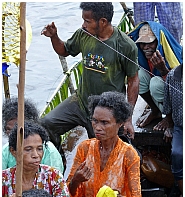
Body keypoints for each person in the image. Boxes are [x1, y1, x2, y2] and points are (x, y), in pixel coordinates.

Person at [40, 2, 140, 149]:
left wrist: (128, 118)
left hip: (107, 109)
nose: (83, 25)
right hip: (80, 101)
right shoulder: (83, 34)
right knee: (46, 123)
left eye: (87, 21)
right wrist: (54, 36)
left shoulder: (126, 46)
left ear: (103, 22)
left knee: (105, 151)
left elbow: (133, 81)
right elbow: (65, 50)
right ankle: (59, 160)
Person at [67, 91, 143, 197]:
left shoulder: (129, 155)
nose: (97, 127)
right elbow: (67, 193)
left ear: (120, 123)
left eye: (105, 122)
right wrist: (76, 180)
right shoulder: (84, 149)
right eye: (94, 121)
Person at [2, 121, 74, 197]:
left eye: (39, 149)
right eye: (28, 149)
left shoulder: (53, 177)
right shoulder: (4, 180)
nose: (36, 155)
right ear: (13, 151)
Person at [128, 21, 182, 128]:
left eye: (150, 43)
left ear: (159, 42)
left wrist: (163, 70)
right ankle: (155, 110)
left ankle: (170, 118)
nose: (146, 47)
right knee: (138, 74)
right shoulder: (142, 55)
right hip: (162, 97)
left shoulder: (175, 54)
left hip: (179, 105)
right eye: (143, 43)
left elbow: (179, 90)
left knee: (155, 83)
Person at [2, 97, 64, 174]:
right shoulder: (5, 151)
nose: (13, 134)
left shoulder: (49, 151)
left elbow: (57, 179)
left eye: (18, 130)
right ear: (13, 152)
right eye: (9, 129)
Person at [162, 63, 183, 197]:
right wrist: (169, 125)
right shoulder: (172, 76)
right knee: (176, 154)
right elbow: (167, 106)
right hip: (180, 127)